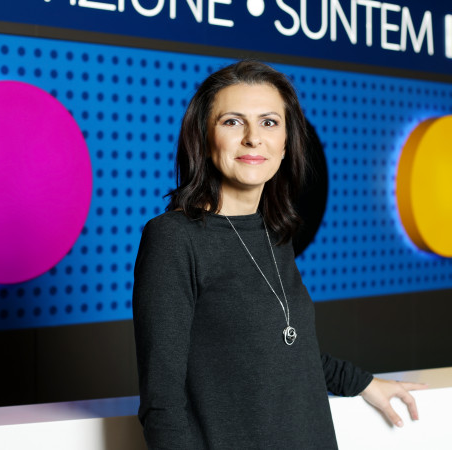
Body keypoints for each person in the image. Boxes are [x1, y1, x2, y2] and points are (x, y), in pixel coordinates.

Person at [132, 60, 426, 449]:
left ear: (286, 143)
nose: (253, 138)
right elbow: (162, 403)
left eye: (269, 122)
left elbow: (287, 348)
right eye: (232, 122)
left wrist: (361, 383)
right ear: (203, 137)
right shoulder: (173, 238)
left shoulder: (274, 232)